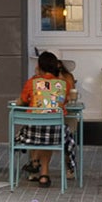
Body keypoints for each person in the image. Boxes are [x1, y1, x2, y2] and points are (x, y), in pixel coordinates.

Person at [16, 51, 76, 187]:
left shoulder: (32, 82)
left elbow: (22, 101)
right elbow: (64, 102)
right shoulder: (63, 84)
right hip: (56, 134)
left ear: (39, 66)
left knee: (41, 129)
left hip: (32, 134)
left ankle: (35, 163)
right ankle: (44, 174)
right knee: (50, 129)